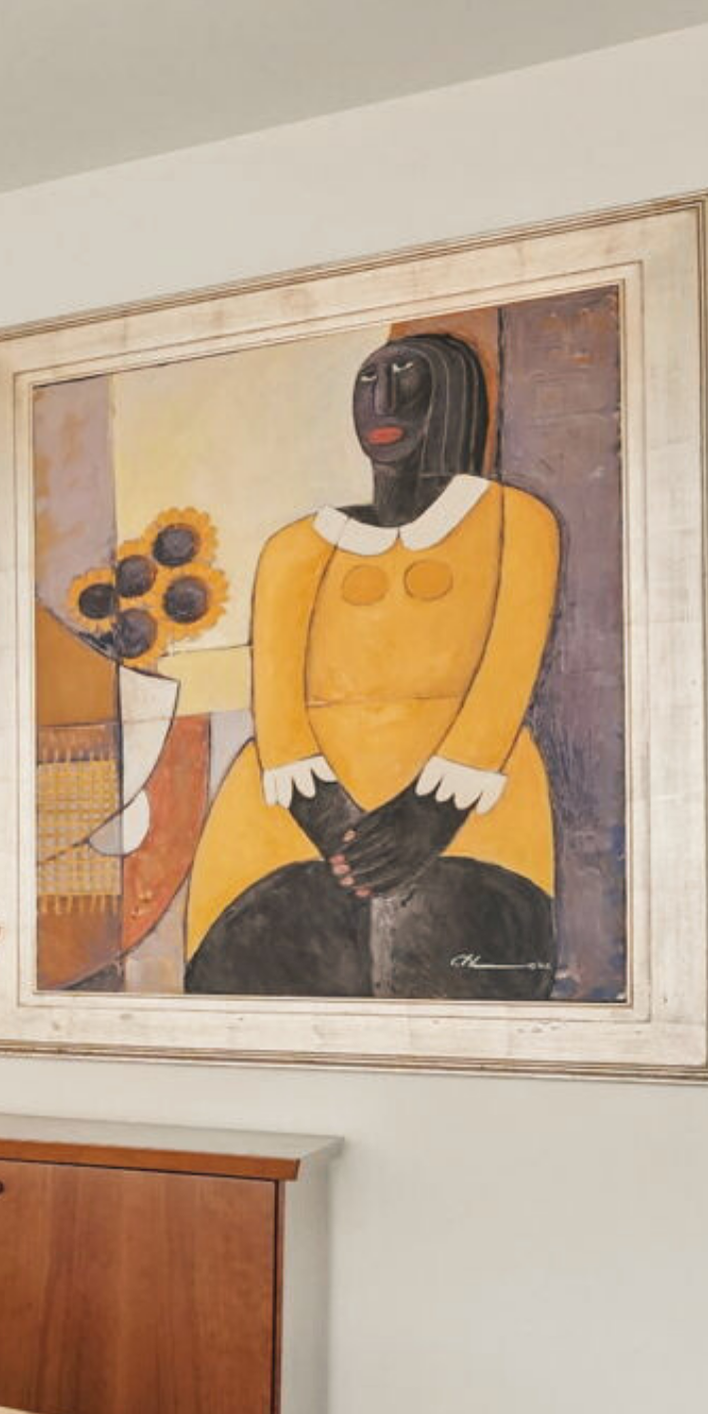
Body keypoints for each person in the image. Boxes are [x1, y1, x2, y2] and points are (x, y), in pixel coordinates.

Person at [185, 331, 564, 998]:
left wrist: (431, 812)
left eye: (410, 380)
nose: (385, 401)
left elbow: (508, 673)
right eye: (368, 381)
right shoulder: (295, 548)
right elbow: (277, 708)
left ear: (458, 400)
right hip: (290, 816)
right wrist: (335, 829)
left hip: (474, 807)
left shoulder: (517, 523)